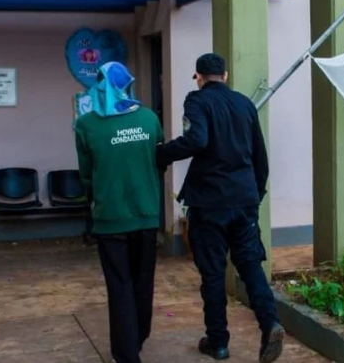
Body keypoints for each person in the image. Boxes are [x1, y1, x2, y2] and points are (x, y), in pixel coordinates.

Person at [157, 53, 285, 363]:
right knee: (250, 265)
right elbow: (260, 157)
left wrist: (161, 153)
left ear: (198, 77)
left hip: (209, 203)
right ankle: (270, 324)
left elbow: (196, 139)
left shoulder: (197, 101)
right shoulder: (244, 104)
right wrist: (255, 194)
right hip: (244, 200)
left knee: (213, 275)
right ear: (225, 75)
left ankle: (219, 343)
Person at [74, 61, 164, 363]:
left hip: (110, 219)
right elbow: (158, 160)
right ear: (126, 84)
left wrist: (95, 200)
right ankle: (137, 339)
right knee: (142, 282)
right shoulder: (149, 118)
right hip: (146, 215)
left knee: (120, 286)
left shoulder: (86, 124)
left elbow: (86, 174)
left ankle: (126, 354)